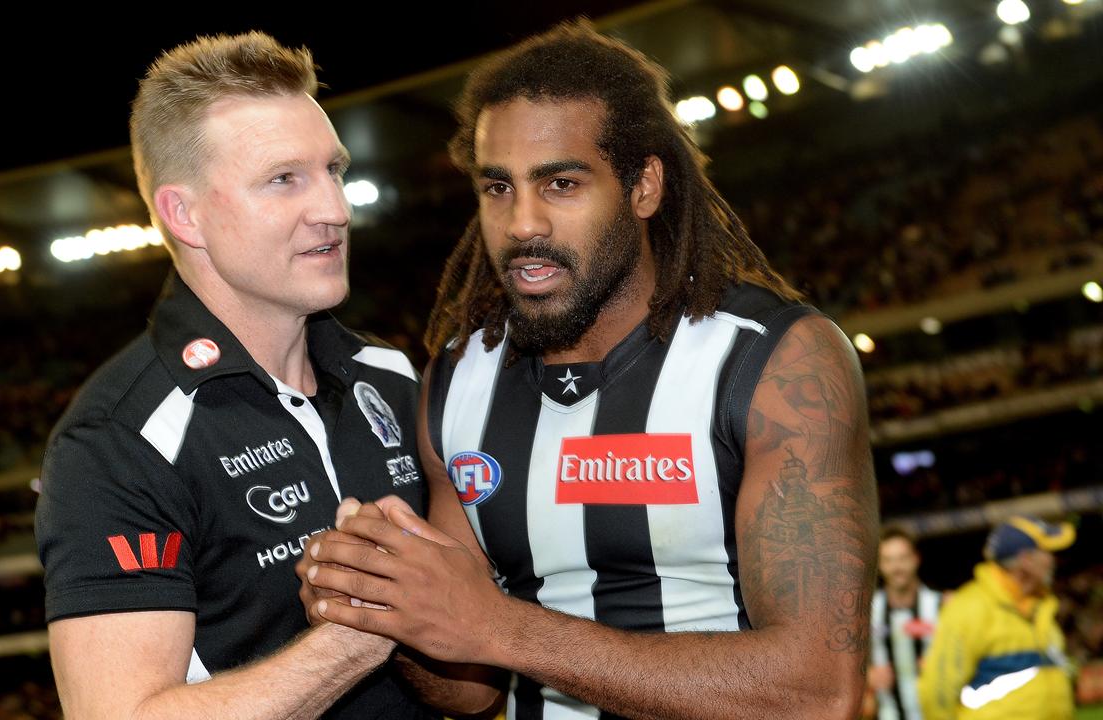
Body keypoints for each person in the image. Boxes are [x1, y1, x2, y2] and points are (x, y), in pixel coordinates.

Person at [298, 21, 878, 720]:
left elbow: (818, 692)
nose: (523, 224)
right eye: (498, 188)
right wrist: (382, 604)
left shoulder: (774, 362)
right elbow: (470, 687)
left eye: (562, 183)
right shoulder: (458, 381)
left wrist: (503, 626)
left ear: (643, 187)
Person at [34, 31, 433, 720]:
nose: (335, 210)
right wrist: (353, 639)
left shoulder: (391, 377)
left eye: (332, 170)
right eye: (285, 179)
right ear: (184, 215)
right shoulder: (120, 439)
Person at [918, 516, 1075, 720]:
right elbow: (937, 693)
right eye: (1047, 552)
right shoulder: (969, 608)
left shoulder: (1042, 607)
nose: (1054, 561)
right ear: (1025, 559)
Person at [869, 527, 943, 720]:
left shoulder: (941, 605)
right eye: (888, 560)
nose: (897, 567)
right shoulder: (868, 612)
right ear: (879, 565)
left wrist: (942, 665)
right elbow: (838, 661)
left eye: (902, 558)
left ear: (916, 559)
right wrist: (866, 676)